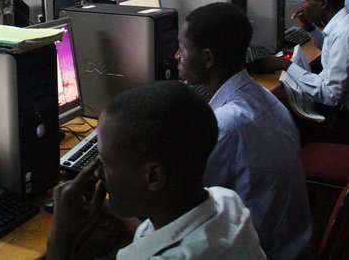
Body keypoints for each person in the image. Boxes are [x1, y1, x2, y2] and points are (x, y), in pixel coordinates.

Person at [47, 81, 265, 260]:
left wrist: (61, 237)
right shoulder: (227, 201)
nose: (98, 175)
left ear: (153, 176)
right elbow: (157, 239)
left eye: (104, 164)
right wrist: (106, 207)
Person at [178, 3, 311, 259]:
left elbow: (179, 206)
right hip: (292, 242)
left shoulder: (226, 126)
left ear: (207, 58)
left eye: (182, 48)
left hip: (262, 251)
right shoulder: (266, 98)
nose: (176, 56)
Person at [254, 0, 349, 145]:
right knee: (280, 102)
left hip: (343, 123)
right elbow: (329, 49)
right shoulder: (346, 23)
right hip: (341, 111)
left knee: (271, 118)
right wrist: (310, 28)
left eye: (306, 0)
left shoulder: (345, 35)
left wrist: (284, 64)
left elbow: (330, 94)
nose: (303, 5)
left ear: (323, 3)